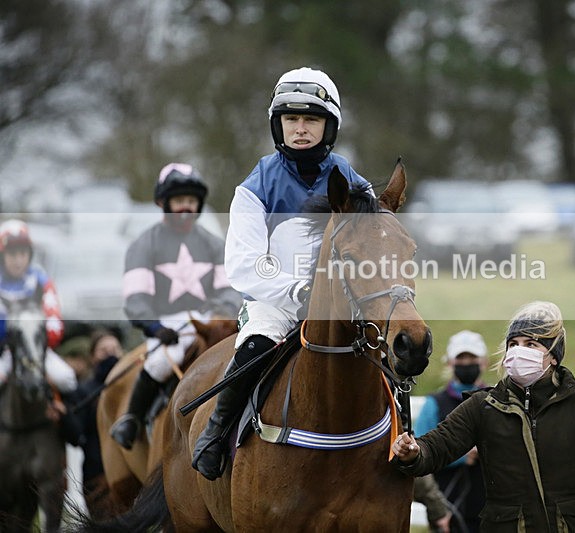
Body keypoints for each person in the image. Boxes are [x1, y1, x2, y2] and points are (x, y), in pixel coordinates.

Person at [191, 66, 374, 480]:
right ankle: (216, 432)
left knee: (388, 350)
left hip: (341, 304)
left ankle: (403, 437)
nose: (301, 128)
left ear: (329, 126)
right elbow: (242, 264)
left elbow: (374, 243)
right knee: (255, 344)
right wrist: (298, 292)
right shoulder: (253, 188)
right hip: (275, 306)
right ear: (279, 124)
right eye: (291, 119)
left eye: (311, 119)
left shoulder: (355, 184)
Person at [393, 301, 575, 532]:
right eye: (513, 344)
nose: (518, 352)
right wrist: (413, 453)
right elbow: (436, 448)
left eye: (531, 344)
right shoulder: (483, 405)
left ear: (553, 355)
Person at [109, 164, 241, 449]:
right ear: (163, 203)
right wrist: (156, 327)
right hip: (166, 328)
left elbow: (229, 290)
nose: (186, 207)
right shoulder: (143, 245)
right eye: (180, 201)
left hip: (209, 321)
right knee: (159, 362)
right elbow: (135, 298)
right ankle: (131, 419)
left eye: (191, 201)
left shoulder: (215, 244)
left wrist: (220, 313)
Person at [415, 330, 489, 533]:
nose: (466, 363)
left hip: (491, 510)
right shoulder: (434, 404)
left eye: (472, 358)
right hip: (448, 510)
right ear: (450, 362)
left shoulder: (497, 400)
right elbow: (419, 453)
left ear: (484, 362)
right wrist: (461, 456)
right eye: (461, 358)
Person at [0, 219, 78, 397]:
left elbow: (54, 325)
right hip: (4, 352)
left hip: (37, 349)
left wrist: (36, 343)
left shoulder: (40, 280)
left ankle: (71, 421)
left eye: (22, 254)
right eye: (12, 255)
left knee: (66, 378)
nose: (18, 260)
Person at [74, 329, 124, 517]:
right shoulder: (85, 391)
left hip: (131, 473)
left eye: (114, 349)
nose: (110, 354)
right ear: (93, 356)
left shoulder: (134, 390)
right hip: (97, 474)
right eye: (103, 350)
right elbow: (76, 433)